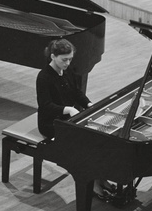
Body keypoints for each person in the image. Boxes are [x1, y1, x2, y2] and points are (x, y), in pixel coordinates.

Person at [36, 39, 115, 200]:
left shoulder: (68, 71)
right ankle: (92, 183)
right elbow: (45, 106)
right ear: (53, 56)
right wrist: (68, 109)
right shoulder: (43, 77)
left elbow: (76, 93)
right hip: (51, 123)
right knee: (85, 144)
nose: (67, 63)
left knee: (97, 138)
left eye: (70, 59)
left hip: (69, 118)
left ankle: (100, 178)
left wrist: (89, 104)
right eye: (64, 59)